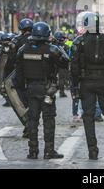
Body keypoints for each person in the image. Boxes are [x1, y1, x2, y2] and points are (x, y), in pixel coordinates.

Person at [70, 12, 104, 160]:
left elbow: (73, 67)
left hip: (86, 82)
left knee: (88, 117)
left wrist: (74, 86)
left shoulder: (79, 42)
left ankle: (92, 151)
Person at [15, 22, 70, 159]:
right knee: (48, 120)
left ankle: (33, 151)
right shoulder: (52, 49)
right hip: (47, 89)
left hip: (31, 88)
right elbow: (65, 61)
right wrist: (57, 45)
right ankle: (49, 150)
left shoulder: (23, 49)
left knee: (32, 120)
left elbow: (18, 73)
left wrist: (22, 89)